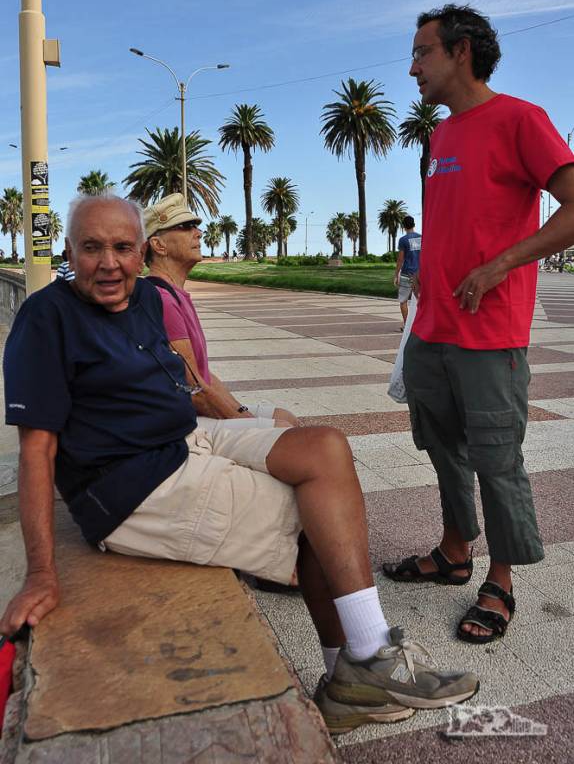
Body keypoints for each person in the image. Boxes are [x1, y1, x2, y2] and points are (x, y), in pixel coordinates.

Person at [1, 195, 478, 734]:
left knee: (323, 448)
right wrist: (41, 573)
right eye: (91, 248)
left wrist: (241, 417)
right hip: (133, 482)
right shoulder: (47, 317)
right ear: (68, 251)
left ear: (141, 252)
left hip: (186, 438)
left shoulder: (144, 299)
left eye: (122, 248)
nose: (109, 263)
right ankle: (364, 660)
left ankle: (353, 674)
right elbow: (36, 450)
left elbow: (186, 383)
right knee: (312, 511)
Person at [382, 5, 574, 645]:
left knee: (497, 459)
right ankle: (454, 551)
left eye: (422, 53)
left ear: (460, 51)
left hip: (490, 334)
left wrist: (502, 264)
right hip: (431, 328)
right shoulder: (440, 135)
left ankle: (502, 580)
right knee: (443, 448)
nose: (413, 68)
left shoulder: (521, 119)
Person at [143, 193, 297, 430]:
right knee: (290, 433)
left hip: (196, 409)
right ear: (158, 245)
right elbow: (195, 390)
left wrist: (242, 412)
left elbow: (204, 375)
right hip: (184, 420)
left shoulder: (174, 294)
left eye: (195, 226)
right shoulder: (162, 300)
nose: (198, 233)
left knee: (285, 417)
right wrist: (250, 426)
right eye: (185, 227)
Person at [393, 215, 421, 329]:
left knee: (403, 300)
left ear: (403, 226)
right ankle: (420, 325)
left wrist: (396, 274)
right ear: (414, 224)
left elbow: (400, 259)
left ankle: (407, 326)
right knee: (420, 300)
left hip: (406, 273)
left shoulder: (403, 240)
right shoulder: (421, 238)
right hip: (420, 274)